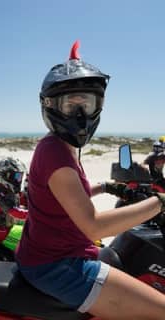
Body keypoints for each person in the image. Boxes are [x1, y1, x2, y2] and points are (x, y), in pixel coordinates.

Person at [15, 41, 165, 319]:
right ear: (50, 105)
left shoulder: (60, 146)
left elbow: (65, 198)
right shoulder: (55, 153)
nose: (80, 114)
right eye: (71, 105)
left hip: (52, 255)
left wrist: (107, 187)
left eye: (87, 103)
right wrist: (160, 203)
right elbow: (94, 227)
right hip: (58, 266)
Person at [0, 157, 28, 251]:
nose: (19, 180)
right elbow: (14, 212)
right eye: (17, 176)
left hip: (13, 228)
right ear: (6, 176)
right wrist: (35, 213)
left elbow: (25, 200)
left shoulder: (9, 191)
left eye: (20, 177)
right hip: (3, 235)